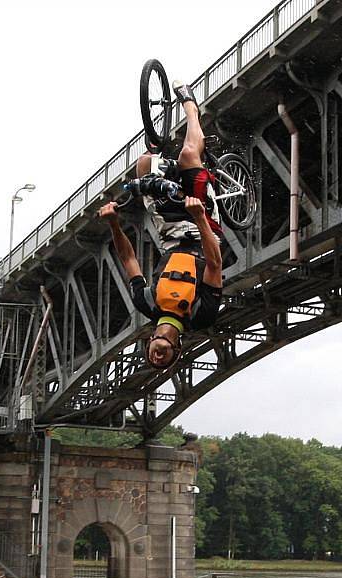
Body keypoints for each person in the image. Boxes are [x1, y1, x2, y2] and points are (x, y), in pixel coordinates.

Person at [98, 80, 223, 370]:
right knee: (189, 156)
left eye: (151, 357)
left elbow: (128, 258)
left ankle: (158, 150)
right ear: (177, 349)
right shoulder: (200, 316)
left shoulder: (147, 303)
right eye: (164, 361)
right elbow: (215, 264)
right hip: (200, 227)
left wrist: (114, 224)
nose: (156, 358)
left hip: (168, 229)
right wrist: (200, 217)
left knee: (144, 165)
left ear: (149, 343)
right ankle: (191, 107)